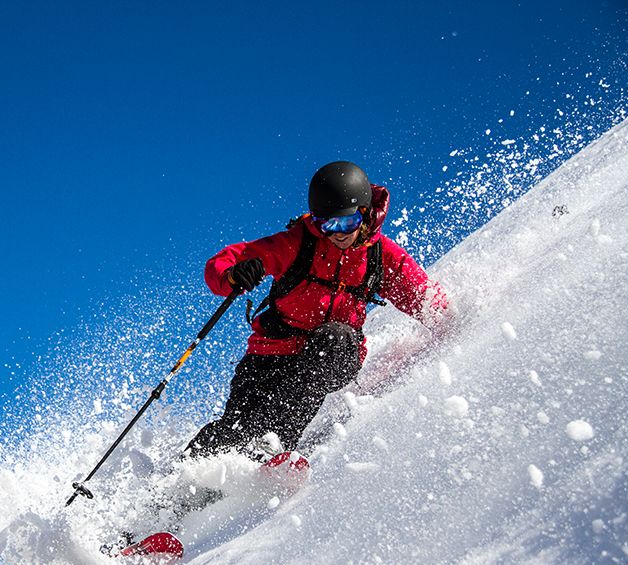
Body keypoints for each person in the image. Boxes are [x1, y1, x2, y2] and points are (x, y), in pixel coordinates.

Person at [184, 161, 448, 459]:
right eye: (327, 224)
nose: (337, 233)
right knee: (233, 432)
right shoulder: (298, 243)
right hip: (270, 353)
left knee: (332, 340)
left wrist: (456, 321)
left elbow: (425, 298)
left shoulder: (380, 256)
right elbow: (225, 261)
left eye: (345, 223)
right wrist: (233, 274)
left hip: (335, 352)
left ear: (364, 213)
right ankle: (177, 490)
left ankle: (273, 446)